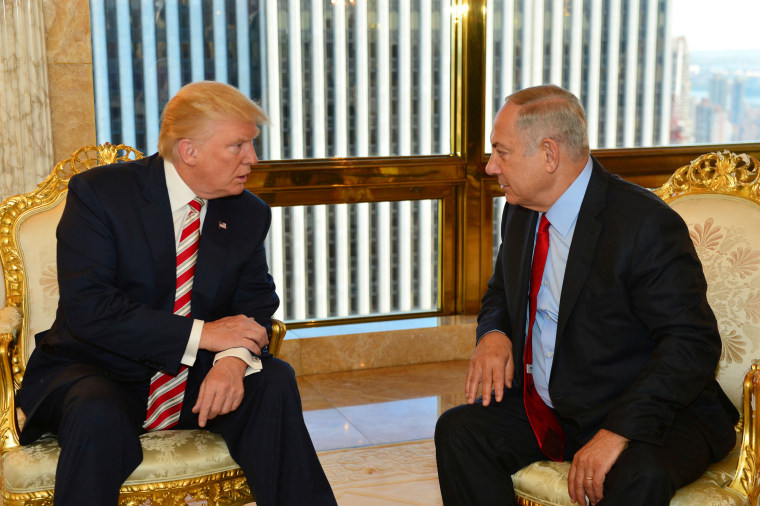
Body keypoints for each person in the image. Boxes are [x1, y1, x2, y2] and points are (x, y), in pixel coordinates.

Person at [17, 81, 337, 506]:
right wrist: (206, 335)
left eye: (252, 145)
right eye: (238, 146)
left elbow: (257, 303)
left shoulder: (247, 212)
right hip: (96, 369)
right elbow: (90, 309)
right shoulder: (101, 195)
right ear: (189, 151)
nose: (252, 159)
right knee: (97, 414)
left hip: (194, 379)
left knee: (274, 382)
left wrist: (232, 360)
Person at [434, 84, 738, 506]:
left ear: (548, 154)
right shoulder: (520, 212)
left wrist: (618, 432)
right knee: (459, 431)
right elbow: (500, 293)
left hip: (651, 411)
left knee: (640, 475)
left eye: (500, 152)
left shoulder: (642, 224)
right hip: (558, 406)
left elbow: (692, 342)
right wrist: (493, 333)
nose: (489, 167)